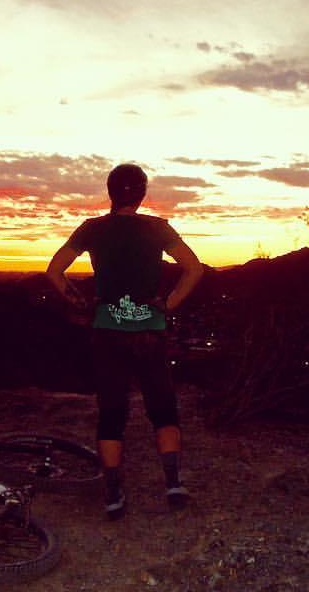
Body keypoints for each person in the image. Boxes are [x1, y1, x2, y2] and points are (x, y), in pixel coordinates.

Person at [46, 163, 204, 519]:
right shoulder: (157, 228)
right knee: (163, 409)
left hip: (108, 332)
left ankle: (114, 494)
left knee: (112, 414)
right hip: (150, 331)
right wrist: (168, 304)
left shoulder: (92, 229)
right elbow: (194, 268)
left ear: (110, 192)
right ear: (143, 193)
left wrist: (80, 302)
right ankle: (173, 483)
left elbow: (54, 271)